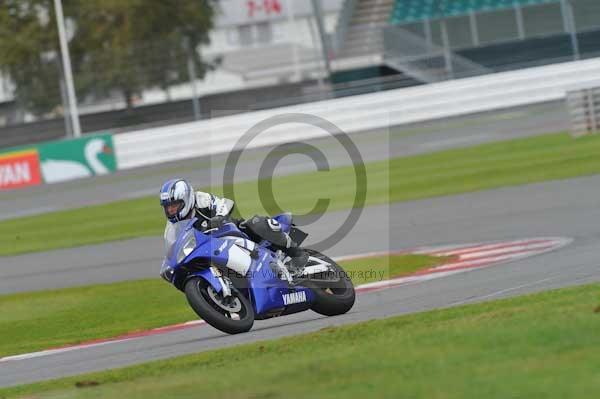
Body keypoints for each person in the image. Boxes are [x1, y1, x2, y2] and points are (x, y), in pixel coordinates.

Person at [159, 178, 308, 273]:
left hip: (231, 232)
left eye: (175, 205)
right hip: (210, 249)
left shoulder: (201, 199)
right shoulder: (172, 227)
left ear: (186, 198)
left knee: (255, 223)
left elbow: (225, 203)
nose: (171, 210)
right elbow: (173, 245)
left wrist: (218, 217)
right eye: (168, 207)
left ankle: (297, 254)